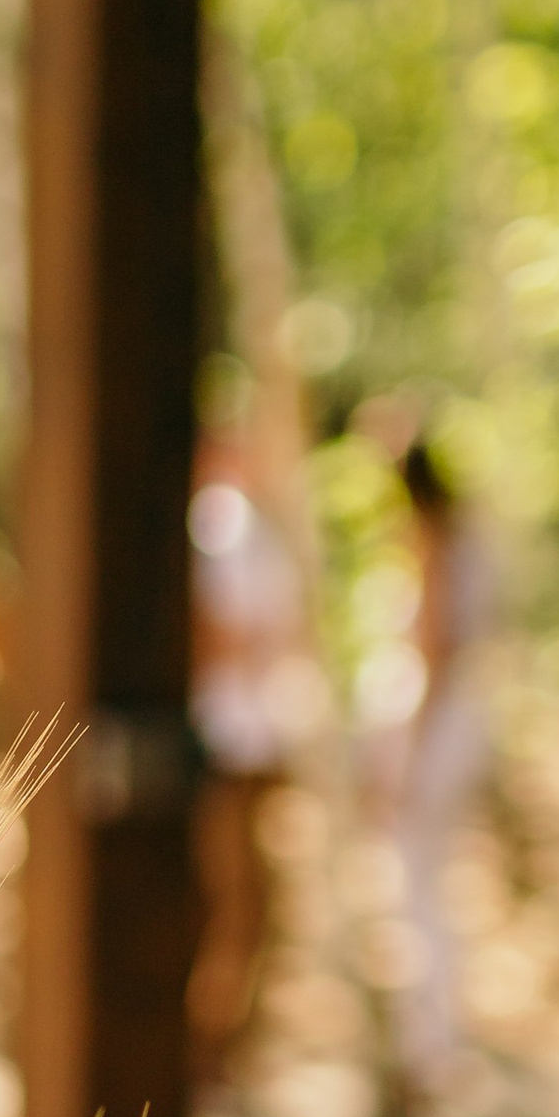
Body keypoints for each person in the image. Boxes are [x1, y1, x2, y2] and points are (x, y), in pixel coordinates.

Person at [187, 427, 306, 1077]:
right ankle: (211, 1044)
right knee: (234, 899)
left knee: (250, 900)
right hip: (228, 741)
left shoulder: (246, 525)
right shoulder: (219, 524)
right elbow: (213, 630)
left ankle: (228, 1040)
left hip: (251, 740)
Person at [385, 433, 497, 1089]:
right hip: (461, 723)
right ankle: (435, 1031)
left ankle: (429, 1038)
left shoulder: (432, 544)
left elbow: (434, 649)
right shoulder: (467, 538)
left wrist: (408, 750)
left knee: (418, 882)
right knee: (432, 879)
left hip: (437, 728)